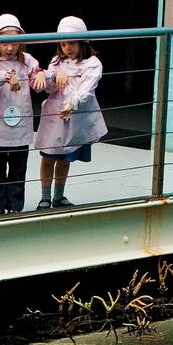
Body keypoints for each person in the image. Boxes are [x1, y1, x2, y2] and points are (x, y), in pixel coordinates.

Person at [32, 16, 106, 209]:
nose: (67, 48)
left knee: (65, 157)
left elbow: (86, 89)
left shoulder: (92, 64)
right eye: (63, 44)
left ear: (83, 42)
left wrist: (71, 103)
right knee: (48, 156)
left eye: (72, 43)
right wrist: (49, 74)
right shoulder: (57, 61)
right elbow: (48, 88)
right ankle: (45, 196)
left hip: (74, 117)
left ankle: (59, 196)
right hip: (55, 116)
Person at [0, 14, 40, 215]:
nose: (10, 48)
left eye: (14, 42)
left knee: (19, 167)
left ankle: (15, 205)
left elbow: (38, 78)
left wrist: (40, 75)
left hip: (19, 124)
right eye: (4, 42)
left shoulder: (27, 60)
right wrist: (6, 76)